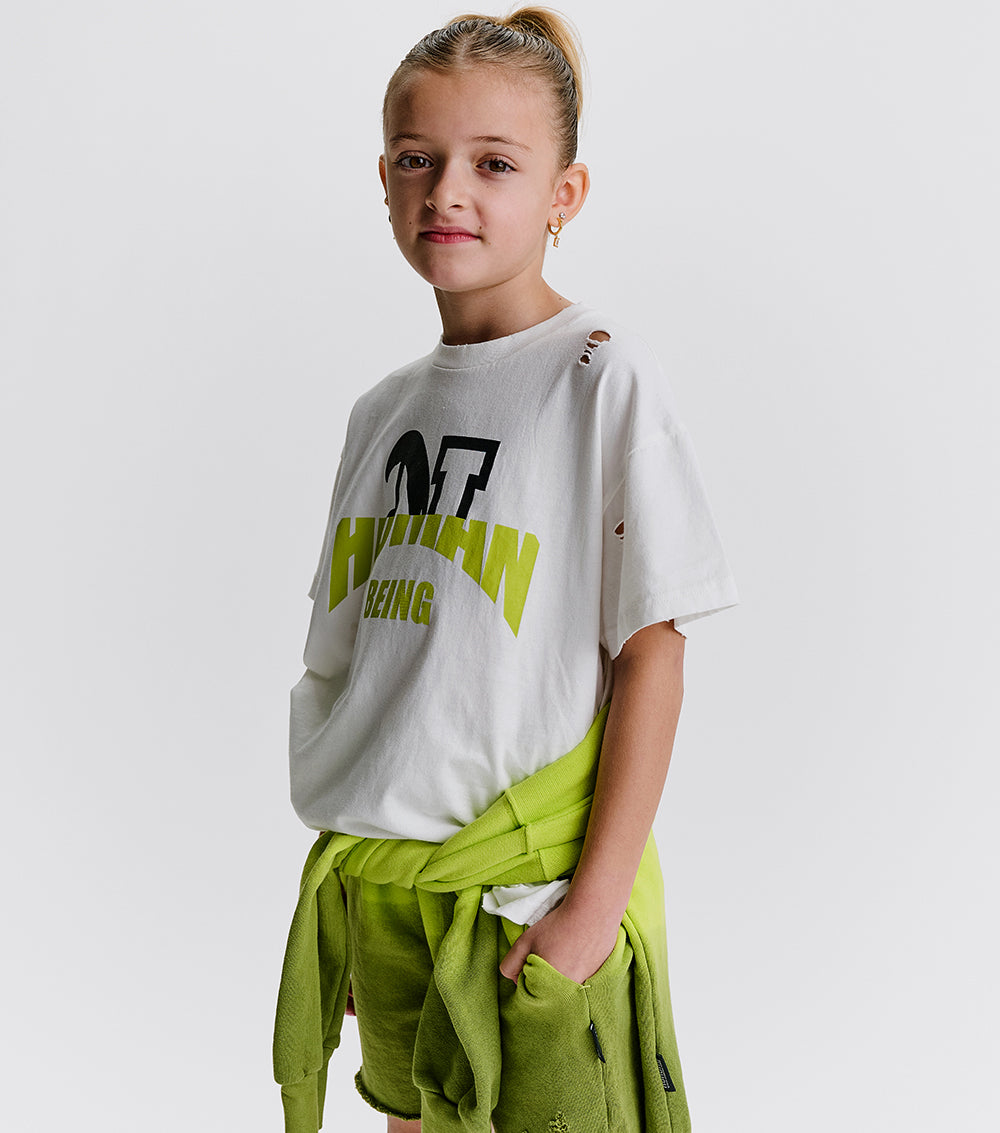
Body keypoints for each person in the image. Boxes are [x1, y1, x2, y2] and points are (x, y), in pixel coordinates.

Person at [272, 9, 739, 1132]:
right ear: (384, 180)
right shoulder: (381, 411)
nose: (447, 192)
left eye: (494, 164)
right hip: (388, 888)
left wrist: (595, 905)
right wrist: (359, 891)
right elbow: (360, 658)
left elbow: (652, 654)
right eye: (416, 160)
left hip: (529, 897)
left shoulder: (599, 376)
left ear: (563, 194)